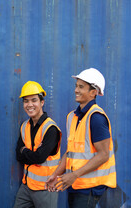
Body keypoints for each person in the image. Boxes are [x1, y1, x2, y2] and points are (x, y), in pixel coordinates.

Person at [45, 68, 116, 208]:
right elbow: (70, 152)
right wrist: (56, 174)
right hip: (75, 184)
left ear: (93, 92)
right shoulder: (73, 117)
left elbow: (103, 155)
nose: (76, 90)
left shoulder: (96, 118)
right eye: (76, 86)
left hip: (89, 188)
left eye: (81, 87)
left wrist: (74, 175)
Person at [13, 81, 62, 208]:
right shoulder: (25, 126)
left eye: (34, 100)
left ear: (42, 102)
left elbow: (40, 157)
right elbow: (18, 155)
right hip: (26, 186)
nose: (29, 105)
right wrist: (28, 153)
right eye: (26, 101)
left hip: (46, 188)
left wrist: (24, 151)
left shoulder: (50, 129)